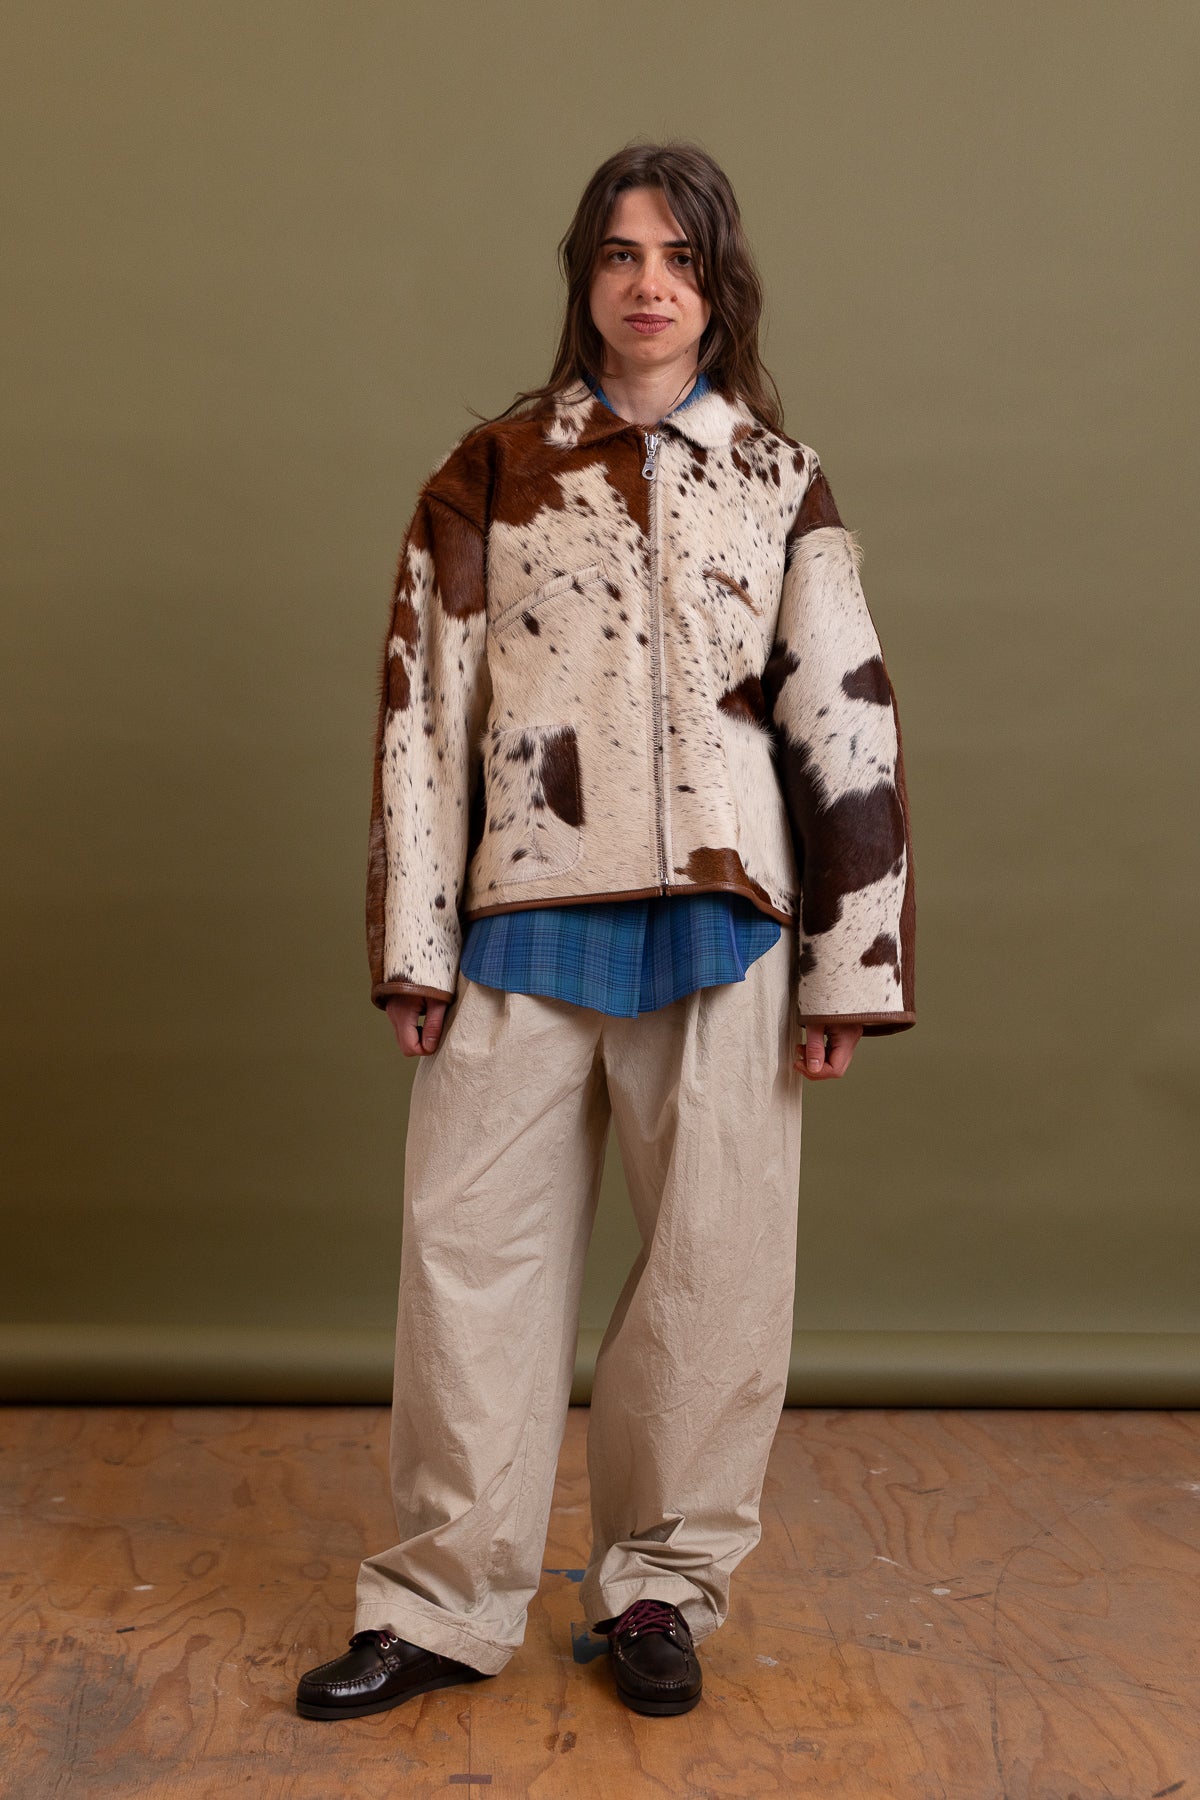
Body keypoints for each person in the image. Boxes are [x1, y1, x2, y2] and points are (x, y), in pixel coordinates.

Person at [296, 139, 916, 1723]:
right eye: (624, 255)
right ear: (584, 278)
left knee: (714, 1274)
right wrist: (414, 942)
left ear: (720, 287)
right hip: (521, 918)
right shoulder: (493, 468)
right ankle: (443, 1603)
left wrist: (850, 966)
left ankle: (657, 1591)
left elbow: (844, 723)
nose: (651, 286)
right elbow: (423, 713)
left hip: (729, 928)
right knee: (468, 1263)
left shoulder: (779, 480)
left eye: (682, 260)